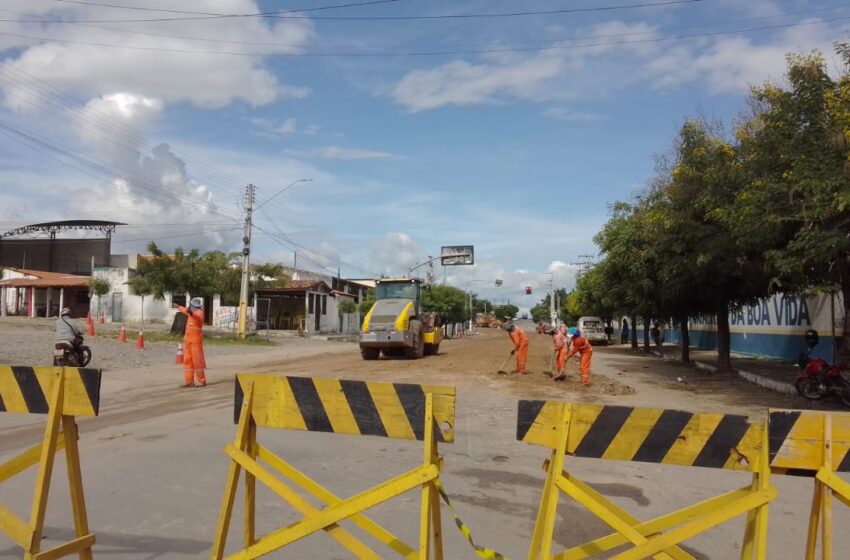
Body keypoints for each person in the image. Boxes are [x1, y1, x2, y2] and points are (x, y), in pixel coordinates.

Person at [174, 297, 206, 388]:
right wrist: (178, 307)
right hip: (188, 340)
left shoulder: (199, 312)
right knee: (187, 361)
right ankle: (189, 381)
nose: (189, 306)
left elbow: (198, 319)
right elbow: (185, 310)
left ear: (193, 306)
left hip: (196, 340)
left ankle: (201, 380)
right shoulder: (191, 313)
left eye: (190, 305)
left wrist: (191, 313)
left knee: (197, 361)